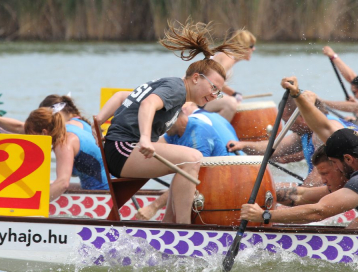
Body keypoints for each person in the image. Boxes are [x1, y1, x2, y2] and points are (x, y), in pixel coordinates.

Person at [96, 20, 247, 224]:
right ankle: (182, 228)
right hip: (122, 149)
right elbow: (148, 103)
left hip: (121, 149)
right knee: (192, 157)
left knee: (185, 162)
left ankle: (169, 225)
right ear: (195, 78)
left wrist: (98, 121)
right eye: (213, 88)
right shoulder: (177, 89)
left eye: (218, 92)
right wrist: (145, 139)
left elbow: (123, 96)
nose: (214, 95)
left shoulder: (174, 88)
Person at [227, 77, 358, 185]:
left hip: (351, 191)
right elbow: (275, 148)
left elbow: (320, 176)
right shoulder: (306, 132)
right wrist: (243, 146)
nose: (287, 126)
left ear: (302, 116)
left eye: (288, 121)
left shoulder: (324, 132)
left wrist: (296, 195)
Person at [24, 106, 108, 201]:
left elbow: (63, 183)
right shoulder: (71, 129)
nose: (34, 143)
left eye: (33, 137)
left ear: (44, 132)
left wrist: (34, 204)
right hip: (105, 188)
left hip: (105, 195)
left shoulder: (63, 143)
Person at [203, 29, 256, 121]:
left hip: (199, 96)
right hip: (195, 99)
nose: (253, 49)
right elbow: (213, 81)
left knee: (229, 100)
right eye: (251, 46)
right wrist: (232, 95)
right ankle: (215, 133)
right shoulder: (228, 57)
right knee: (230, 104)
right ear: (243, 47)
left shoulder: (226, 56)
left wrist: (233, 94)